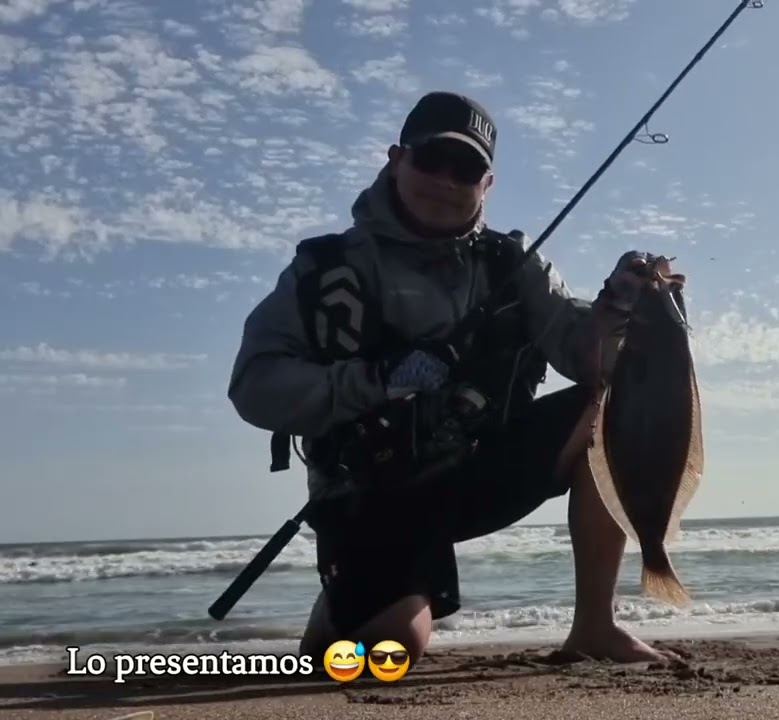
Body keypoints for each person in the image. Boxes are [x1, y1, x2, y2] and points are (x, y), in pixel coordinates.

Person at [226, 90, 679, 666]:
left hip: (479, 467)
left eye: (464, 168)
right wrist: (376, 380)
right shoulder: (324, 268)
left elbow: (586, 358)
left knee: (604, 408)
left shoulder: (516, 263)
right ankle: (344, 604)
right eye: (430, 159)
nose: (445, 180)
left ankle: (595, 626)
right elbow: (254, 385)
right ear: (396, 159)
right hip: (371, 491)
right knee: (392, 645)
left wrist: (617, 307)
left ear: (486, 184)